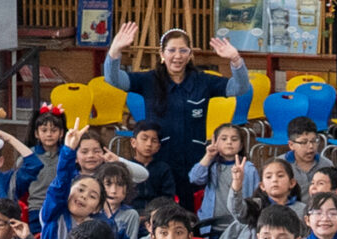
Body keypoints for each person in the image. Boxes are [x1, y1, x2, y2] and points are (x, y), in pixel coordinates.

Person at [101, 23, 251, 203]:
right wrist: (115, 50)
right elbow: (113, 79)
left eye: (183, 51)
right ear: (162, 54)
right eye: (171, 50)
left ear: (190, 55)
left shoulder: (203, 81)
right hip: (158, 161)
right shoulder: (149, 80)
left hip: (193, 163)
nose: (177, 56)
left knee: (190, 214)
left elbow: (240, 88)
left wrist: (235, 59)